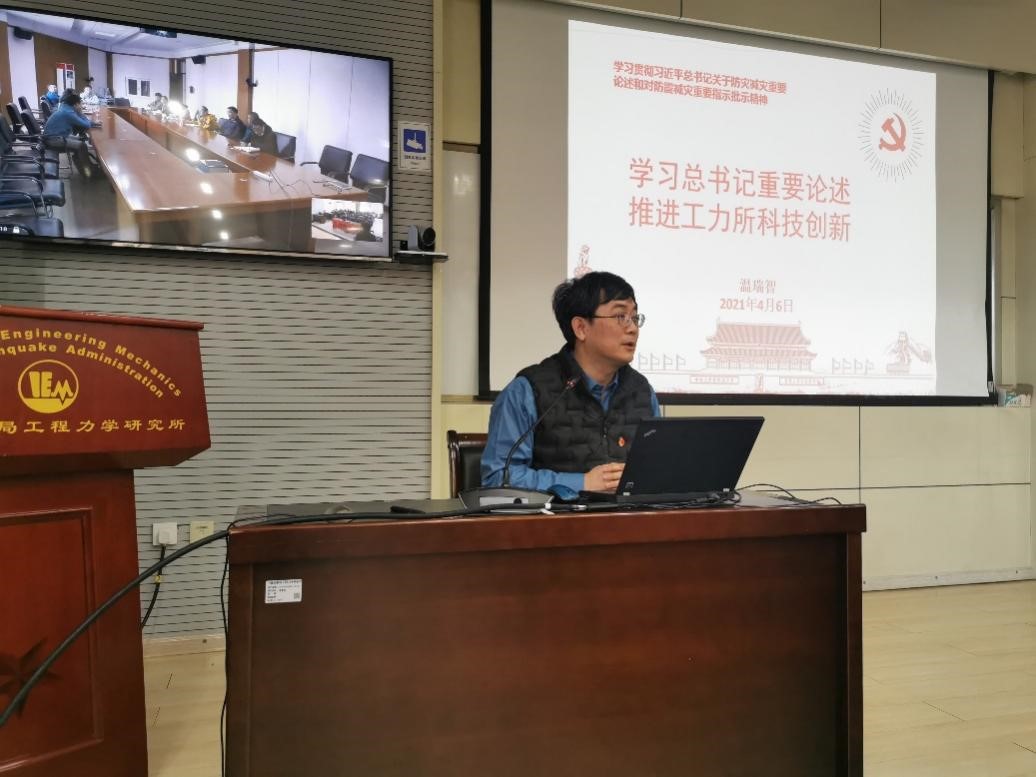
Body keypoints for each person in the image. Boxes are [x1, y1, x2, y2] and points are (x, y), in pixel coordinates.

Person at [481, 271, 660, 498]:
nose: (633, 328)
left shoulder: (641, 391)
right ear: (581, 328)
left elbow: (659, 468)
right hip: (556, 520)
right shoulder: (528, 391)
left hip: (629, 519)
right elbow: (498, 479)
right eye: (620, 316)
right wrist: (581, 482)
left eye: (634, 317)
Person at [41, 91, 101, 178]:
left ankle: (87, 168)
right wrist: (80, 113)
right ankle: (89, 171)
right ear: (76, 104)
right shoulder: (68, 113)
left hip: (54, 137)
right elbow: (86, 125)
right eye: (80, 104)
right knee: (81, 145)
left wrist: (94, 123)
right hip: (53, 140)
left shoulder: (65, 108)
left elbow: (84, 123)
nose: (81, 106)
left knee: (80, 142)